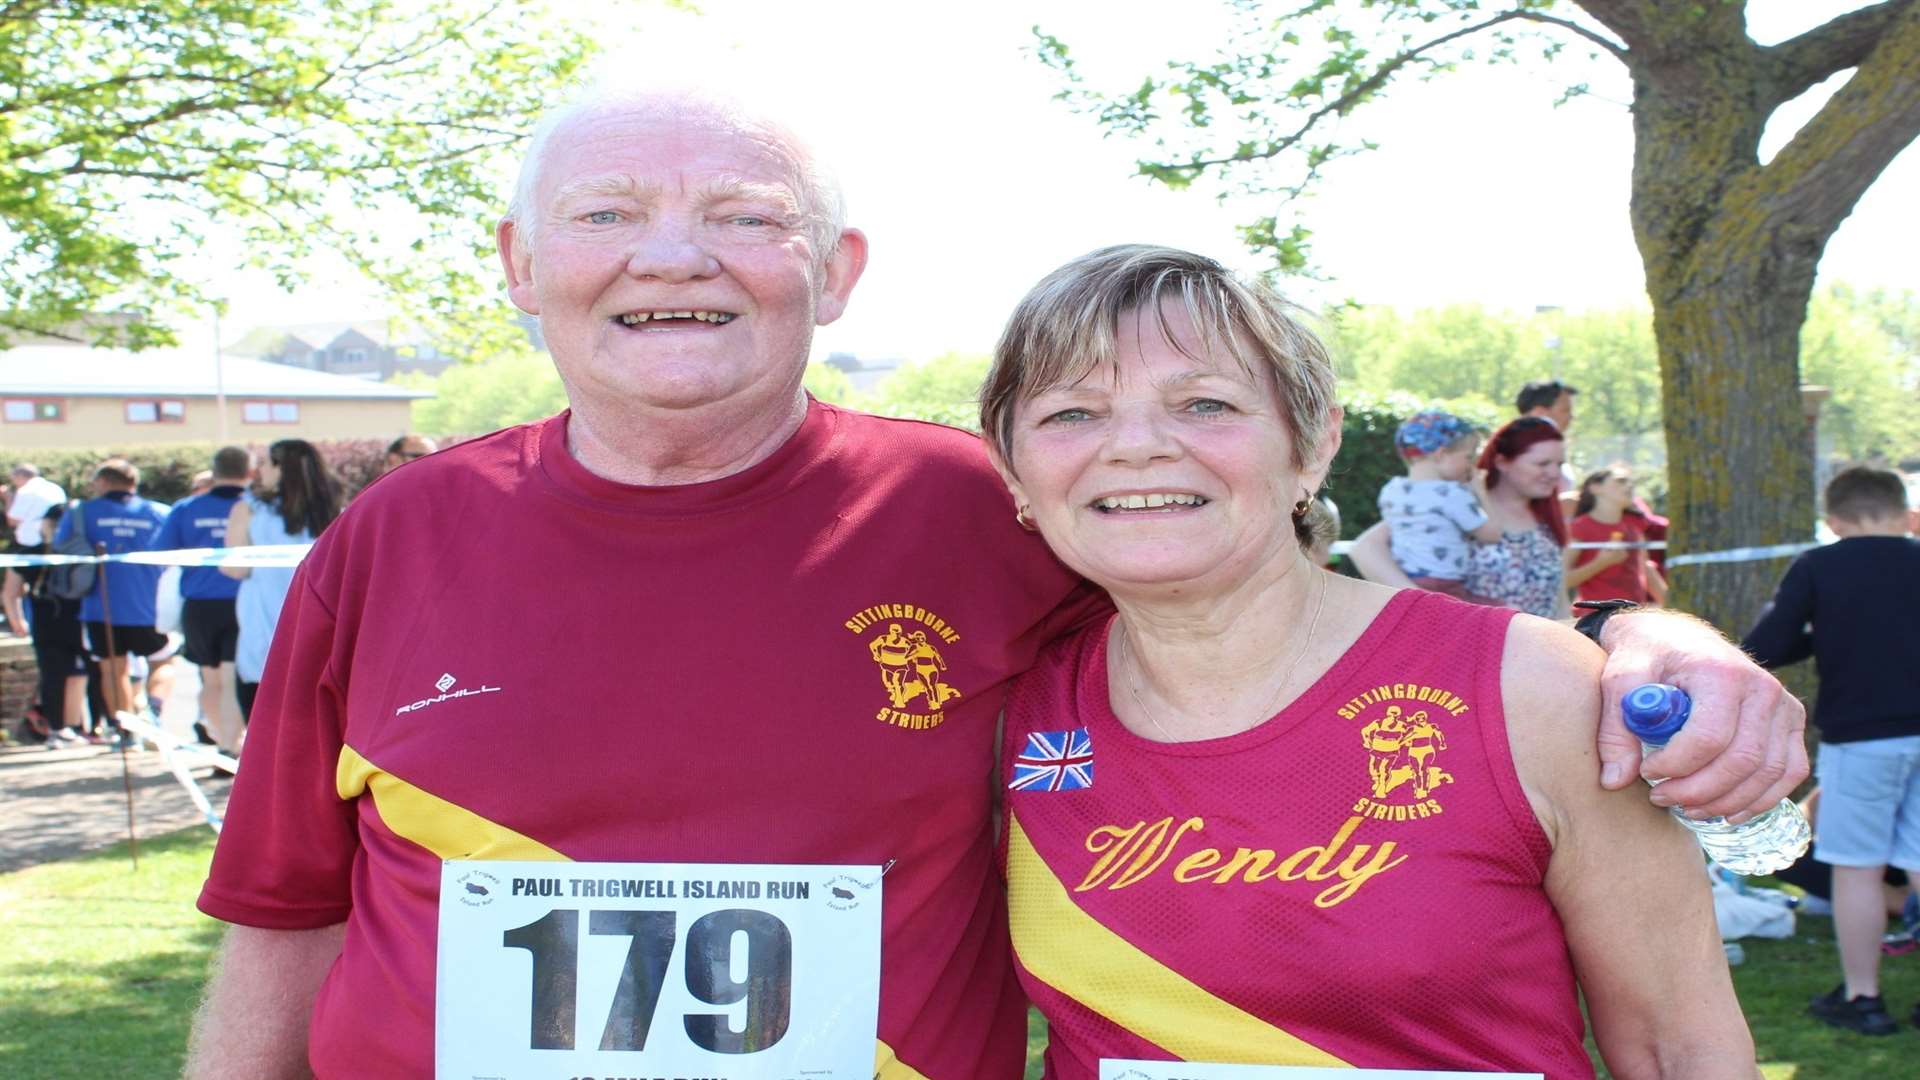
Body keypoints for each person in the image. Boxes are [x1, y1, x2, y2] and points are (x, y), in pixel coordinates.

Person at [186, 85, 1808, 1080]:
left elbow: (1264, 617)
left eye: (743, 218)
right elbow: (284, 918)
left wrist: (1653, 639)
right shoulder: (391, 539)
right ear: (522, 265)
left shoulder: (967, 515)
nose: (671, 257)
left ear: (833, 274)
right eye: (607, 213)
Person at [984, 245, 1752, 1076]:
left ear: (1311, 446)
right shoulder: (1002, 713)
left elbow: (1680, 1045)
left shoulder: (1533, 691)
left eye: (1204, 403)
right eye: (1071, 413)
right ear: (1012, 468)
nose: (1135, 447)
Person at [1743, 465, 1920, 1036]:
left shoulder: (1821, 563)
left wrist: (1827, 632)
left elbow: (1764, 646)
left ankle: (1863, 995)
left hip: (1862, 736)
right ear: (1904, 514)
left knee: (1857, 867)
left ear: (1834, 521)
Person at [1352, 417, 1572, 618]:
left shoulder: (1546, 518)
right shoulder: (1452, 502)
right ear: (1502, 462)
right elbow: (1363, 549)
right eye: (1542, 463)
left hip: (1538, 647)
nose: (1554, 474)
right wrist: (1422, 601)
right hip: (1472, 640)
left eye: (1559, 465)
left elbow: (1559, 597)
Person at [219, 440, 340, 727]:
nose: (258, 471)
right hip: (319, 623)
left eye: (264, 463)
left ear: (280, 467)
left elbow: (235, 568)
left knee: (263, 721)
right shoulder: (336, 510)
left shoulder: (249, 510)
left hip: (264, 623)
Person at [52, 458, 170, 745]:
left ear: (103, 482)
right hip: (149, 603)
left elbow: (59, 546)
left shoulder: (82, 512)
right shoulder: (158, 512)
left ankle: (126, 730)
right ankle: (152, 708)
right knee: (163, 661)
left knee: (112, 670)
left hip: (101, 605)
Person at [153, 446, 254, 755]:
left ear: (215, 470)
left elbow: (163, 553)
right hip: (241, 602)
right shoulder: (254, 507)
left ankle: (226, 743)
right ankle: (230, 745)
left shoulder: (186, 509)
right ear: (250, 472)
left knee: (211, 680)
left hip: (200, 605)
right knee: (231, 677)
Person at [1376, 410, 1501, 601]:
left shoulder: (1391, 491)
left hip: (1404, 579)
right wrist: (1481, 492)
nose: (1471, 466)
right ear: (1441, 454)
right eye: (1468, 457)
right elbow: (1492, 535)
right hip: (1445, 584)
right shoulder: (1452, 494)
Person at [18, 504, 90, 747]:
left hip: (67, 622)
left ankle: (72, 727)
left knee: (72, 675)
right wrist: (17, 619)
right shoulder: (34, 554)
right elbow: (11, 591)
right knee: (59, 676)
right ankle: (60, 728)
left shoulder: (80, 551)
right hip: (60, 623)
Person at [1566, 465, 1667, 605]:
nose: (1629, 486)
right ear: (1595, 487)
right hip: (1594, 618)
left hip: (1635, 615)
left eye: (1631, 482)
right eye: (1620, 481)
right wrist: (1601, 563)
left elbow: (1646, 568)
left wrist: (1675, 608)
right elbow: (1562, 581)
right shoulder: (1578, 527)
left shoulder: (1635, 524)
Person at [3, 463, 66, 637]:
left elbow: (13, 520)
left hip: (29, 547)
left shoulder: (25, 491)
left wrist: (8, 498)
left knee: (17, 588)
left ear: (20, 476)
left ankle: (20, 624)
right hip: (56, 547)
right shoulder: (56, 489)